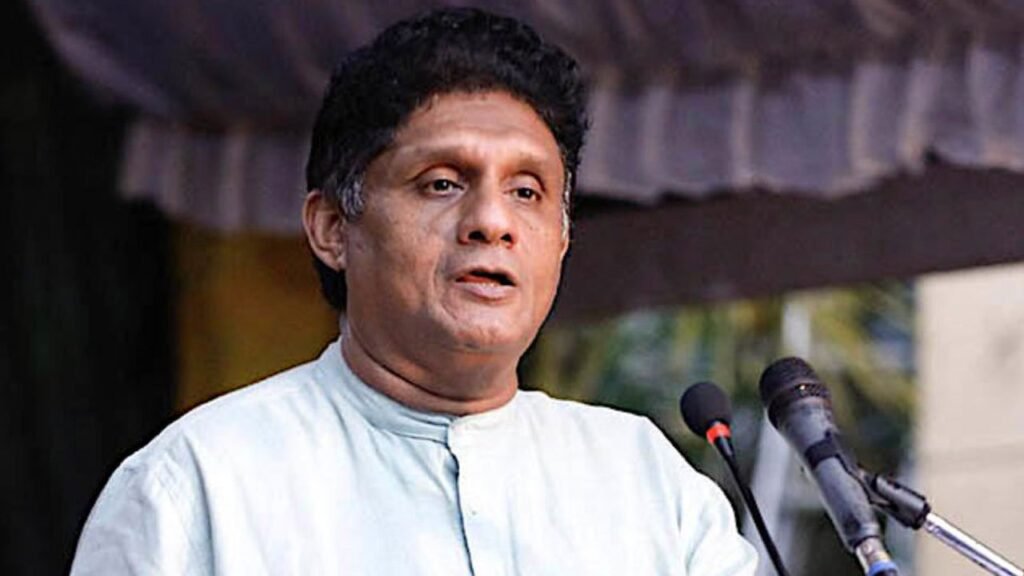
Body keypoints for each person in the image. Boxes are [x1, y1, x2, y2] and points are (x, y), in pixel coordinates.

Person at [71, 7, 756, 575]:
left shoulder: (646, 482)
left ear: (562, 238)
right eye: (442, 183)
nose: (492, 221)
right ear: (333, 228)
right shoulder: (196, 488)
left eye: (527, 191)